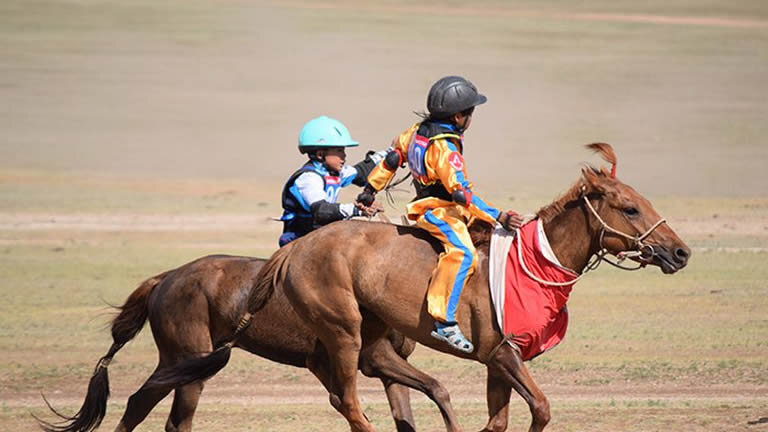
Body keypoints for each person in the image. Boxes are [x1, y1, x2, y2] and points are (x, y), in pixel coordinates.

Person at [356, 76, 523, 353]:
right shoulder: (446, 148)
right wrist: (499, 216)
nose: (471, 118)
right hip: (437, 211)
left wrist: (370, 189)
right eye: (470, 113)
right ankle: (444, 320)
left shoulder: (416, 130)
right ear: (458, 116)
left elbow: (392, 158)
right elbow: (461, 194)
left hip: (443, 206)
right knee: (463, 254)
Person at [279, 115, 384, 247]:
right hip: (296, 242)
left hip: (318, 238)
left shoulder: (333, 173)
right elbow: (322, 211)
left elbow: (362, 172)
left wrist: (392, 152)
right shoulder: (308, 178)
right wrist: (357, 210)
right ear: (320, 154)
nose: (344, 155)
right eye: (339, 150)